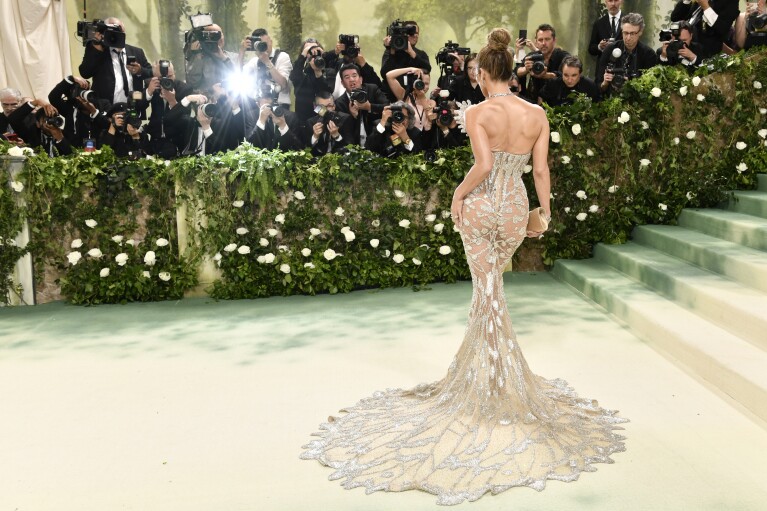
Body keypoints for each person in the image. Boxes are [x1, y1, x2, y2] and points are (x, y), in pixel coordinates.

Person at [301, 28, 627, 505]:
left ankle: (490, 381)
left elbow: (480, 165)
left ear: (482, 74)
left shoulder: (478, 111)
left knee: (486, 290)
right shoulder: (536, 113)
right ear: (509, 72)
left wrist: (457, 195)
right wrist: (546, 212)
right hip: (516, 206)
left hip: (480, 206)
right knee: (494, 288)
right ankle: (496, 378)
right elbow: (540, 171)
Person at [77, 17, 152, 106]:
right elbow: (85, 73)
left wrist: (140, 71)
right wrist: (97, 48)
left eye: (119, 30)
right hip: (106, 109)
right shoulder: (97, 49)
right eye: (112, 31)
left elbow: (150, 73)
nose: (116, 34)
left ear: (124, 32)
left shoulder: (137, 52)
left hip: (133, 106)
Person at [597, 13, 659, 96]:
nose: (628, 38)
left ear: (640, 32)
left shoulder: (648, 54)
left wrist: (631, 84)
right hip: (610, 100)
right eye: (625, 33)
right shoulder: (610, 49)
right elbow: (598, 87)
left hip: (637, 103)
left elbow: (650, 88)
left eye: (632, 33)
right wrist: (605, 83)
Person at [516, 24, 571, 103]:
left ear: (554, 40)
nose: (543, 43)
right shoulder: (532, 56)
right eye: (540, 40)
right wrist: (526, 69)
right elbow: (517, 71)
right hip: (533, 102)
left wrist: (546, 75)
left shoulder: (564, 57)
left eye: (547, 39)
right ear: (536, 42)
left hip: (557, 103)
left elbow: (567, 76)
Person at [670, 0, 740, 59]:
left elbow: (722, 28)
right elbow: (675, 18)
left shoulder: (730, 2)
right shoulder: (698, 3)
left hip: (703, 54)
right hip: (681, 47)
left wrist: (706, 7)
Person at [588, 0, 624, 78]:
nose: (613, 4)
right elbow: (591, 49)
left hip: (623, 67)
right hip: (603, 69)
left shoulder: (629, 22)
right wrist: (599, 47)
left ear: (621, 1)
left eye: (616, 0)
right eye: (610, 0)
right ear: (605, 2)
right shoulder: (599, 23)